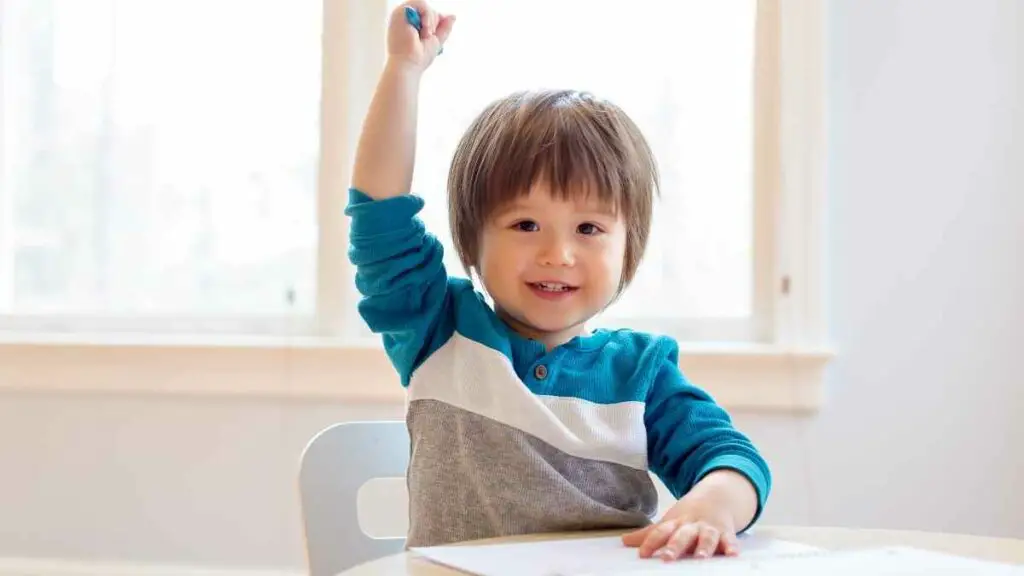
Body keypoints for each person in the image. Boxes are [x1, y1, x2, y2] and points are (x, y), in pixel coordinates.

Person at [346, 0, 771, 561]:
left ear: (629, 246)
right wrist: (403, 71)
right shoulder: (438, 330)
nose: (558, 253)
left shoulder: (642, 374)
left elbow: (731, 459)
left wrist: (712, 503)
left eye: (589, 227)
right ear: (472, 240)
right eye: (525, 224)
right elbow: (380, 216)